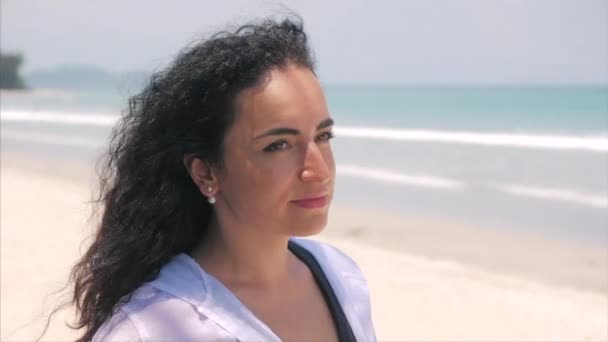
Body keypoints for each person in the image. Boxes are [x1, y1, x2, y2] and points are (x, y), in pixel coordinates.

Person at [69, 16, 376, 342]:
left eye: (323, 136)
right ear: (206, 172)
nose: (318, 170)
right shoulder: (151, 328)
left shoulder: (342, 279)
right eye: (278, 145)